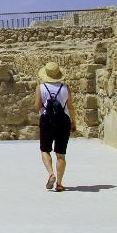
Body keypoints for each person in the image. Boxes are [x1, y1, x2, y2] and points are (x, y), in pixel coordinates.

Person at [34, 62, 76, 192]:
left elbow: (36, 107)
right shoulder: (65, 87)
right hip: (63, 121)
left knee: (45, 150)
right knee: (61, 154)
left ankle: (51, 173)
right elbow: (70, 106)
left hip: (47, 121)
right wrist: (74, 122)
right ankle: (59, 183)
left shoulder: (40, 87)